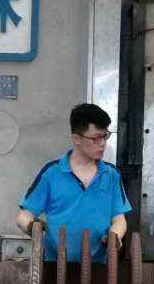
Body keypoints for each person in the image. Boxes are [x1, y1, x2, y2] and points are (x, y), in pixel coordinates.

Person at [15, 103, 131, 262]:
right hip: (54, 266)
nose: (103, 143)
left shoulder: (111, 175)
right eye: (96, 138)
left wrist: (114, 237)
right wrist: (33, 227)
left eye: (105, 136)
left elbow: (119, 220)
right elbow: (23, 216)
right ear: (76, 138)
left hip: (99, 268)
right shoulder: (52, 173)